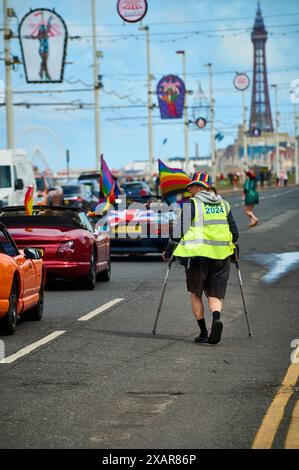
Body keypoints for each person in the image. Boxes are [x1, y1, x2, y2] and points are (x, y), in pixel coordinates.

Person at [162, 172, 239, 345]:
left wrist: (168, 251)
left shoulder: (192, 204)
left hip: (196, 256)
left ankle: (204, 332)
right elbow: (235, 234)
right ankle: (216, 319)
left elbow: (180, 230)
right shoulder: (224, 204)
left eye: (192, 186)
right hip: (221, 256)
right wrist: (231, 245)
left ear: (200, 187)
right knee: (215, 293)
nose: (189, 189)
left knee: (195, 293)